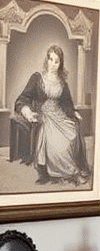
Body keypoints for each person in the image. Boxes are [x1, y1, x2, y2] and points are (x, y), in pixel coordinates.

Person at [12, 43, 90, 186]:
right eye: (50, 59)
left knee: (72, 133)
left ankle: (73, 169)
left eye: (56, 61)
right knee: (57, 145)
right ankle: (72, 172)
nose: (52, 64)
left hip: (59, 114)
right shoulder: (37, 78)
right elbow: (22, 99)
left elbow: (66, 103)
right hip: (45, 116)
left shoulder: (62, 83)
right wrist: (28, 112)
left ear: (60, 64)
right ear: (46, 59)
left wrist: (74, 113)